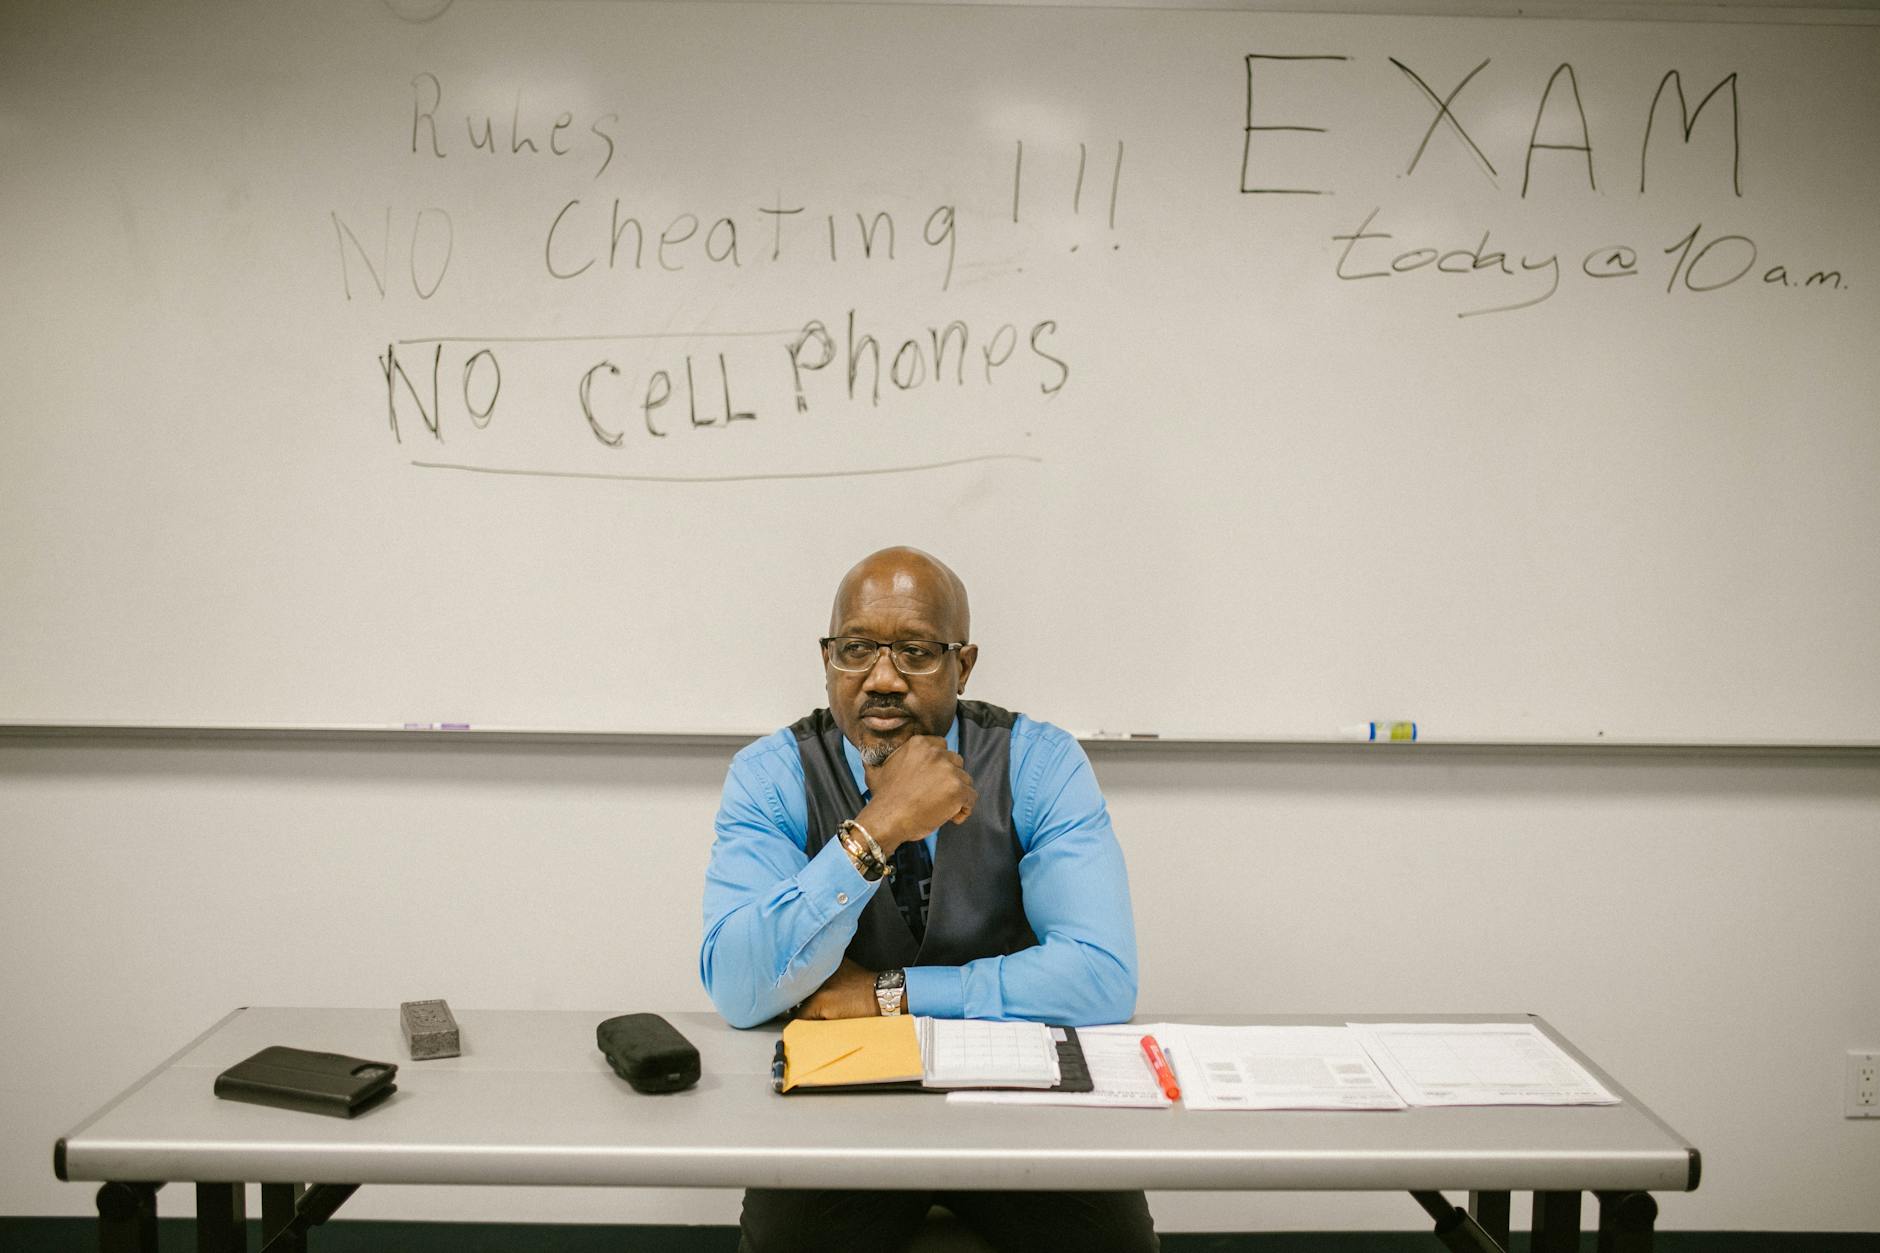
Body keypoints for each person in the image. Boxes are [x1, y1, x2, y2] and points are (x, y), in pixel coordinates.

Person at [700, 546, 1159, 1253]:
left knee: (1112, 1246)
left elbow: (1101, 975)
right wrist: (878, 828)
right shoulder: (771, 774)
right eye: (857, 649)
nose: (882, 678)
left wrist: (891, 991)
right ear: (827, 659)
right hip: (843, 1103)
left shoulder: (1039, 762)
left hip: (1019, 1097)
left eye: (915, 651)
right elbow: (737, 985)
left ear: (962, 665)